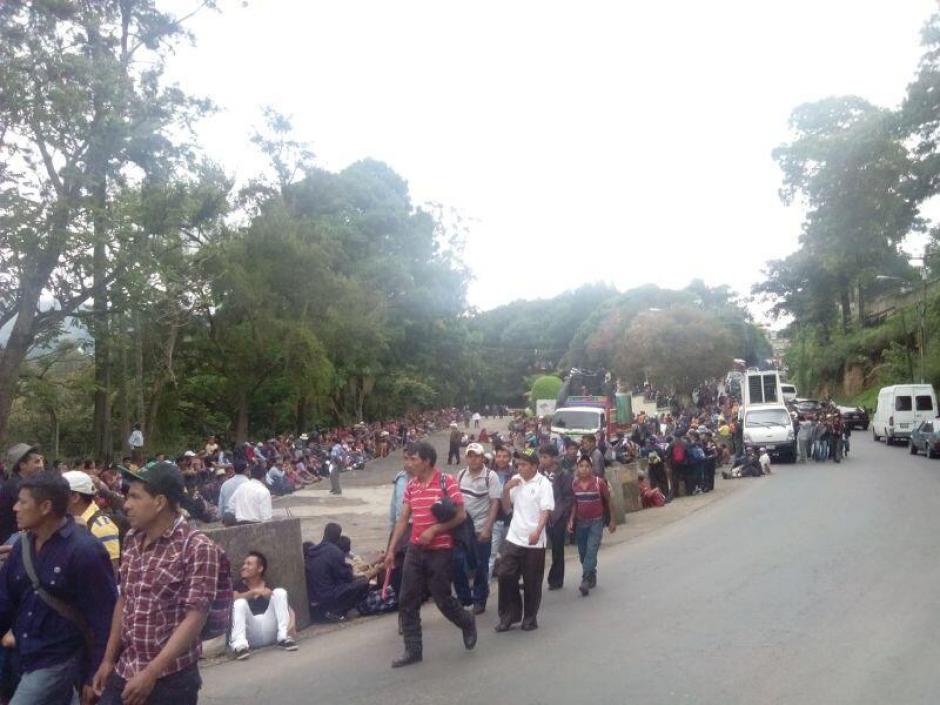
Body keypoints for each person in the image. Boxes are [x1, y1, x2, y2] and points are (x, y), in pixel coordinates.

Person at [93, 461, 225, 705]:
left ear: (160, 502)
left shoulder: (196, 547)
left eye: (134, 496)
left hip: (170, 680)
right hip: (125, 669)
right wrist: (108, 660)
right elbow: (125, 599)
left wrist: (152, 672)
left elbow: (195, 618)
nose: (126, 505)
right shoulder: (132, 538)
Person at [0, 472, 117, 705]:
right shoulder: (21, 546)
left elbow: (105, 617)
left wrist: (95, 673)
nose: (15, 508)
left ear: (45, 507)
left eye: (23, 502)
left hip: (58, 659)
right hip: (22, 655)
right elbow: (5, 602)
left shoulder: (85, 551)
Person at [383, 441, 476, 668]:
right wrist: (391, 549)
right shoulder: (411, 486)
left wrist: (434, 529)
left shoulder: (447, 482)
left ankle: (466, 621)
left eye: (413, 459)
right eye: (408, 459)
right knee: (407, 599)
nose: (409, 463)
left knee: (442, 599)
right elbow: (403, 519)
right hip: (415, 549)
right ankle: (413, 650)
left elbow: (461, 515)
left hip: (440, 551)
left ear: (426, 461)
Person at [494, 448, 554, 633]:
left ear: (534, 466)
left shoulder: (543, 483)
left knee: (532, 581)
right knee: (505, 574)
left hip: (533, 540)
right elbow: (506, 508)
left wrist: (538, 531)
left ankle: (530, 618)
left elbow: (546, 510)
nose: (520, 468)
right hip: (514, 536)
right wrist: (506, 489)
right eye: (518, 464)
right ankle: (509, 615)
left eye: (524, 465)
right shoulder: (516, 481)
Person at [453, 443, 500, 614]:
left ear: (482, 458)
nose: (473, 459)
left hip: (481, 528)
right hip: (463, 530)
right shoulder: (460, 475)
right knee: (458, 563)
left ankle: (480, 599)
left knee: (481, 566)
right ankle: (464, 597)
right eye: (470, 456)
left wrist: (488, 528)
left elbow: (495, 503)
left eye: (477, 456)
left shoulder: (490, 476)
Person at [230, 551, 297, 659]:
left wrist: (292, 622)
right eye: (244, 564)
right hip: (250, 633)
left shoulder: (268, 586)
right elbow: (233, 600)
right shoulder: (238, 586)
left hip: (270, 629)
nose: (244, 567)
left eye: (249, 564)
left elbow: (286, 607)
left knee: (279, 592)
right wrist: (253, 592)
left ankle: (284, 637)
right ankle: (240, 646)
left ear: (260, 568)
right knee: (239, 603)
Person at [568, 455, 616, 595]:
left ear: (591, 468)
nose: (584, 469)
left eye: (587, 466)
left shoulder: (598, 482)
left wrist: (612, 520)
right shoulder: (574, 484)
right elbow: (574, 504)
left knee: (591, 549)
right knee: (583, 553)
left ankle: (585, 579)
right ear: (577, 468)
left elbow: (609, 501)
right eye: (581, 466)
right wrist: (571, 519)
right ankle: (591, 574)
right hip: (581, 523)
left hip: (596, 522)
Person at [304, 523, 369, 622]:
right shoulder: (335, 552)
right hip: (329, 596)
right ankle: (339, 610)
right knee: (363, 582)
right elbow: (347, 578)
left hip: (315, 596)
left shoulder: (313, 549)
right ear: (338, 537)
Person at [63, 470, 121, 570]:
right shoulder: (66, 521)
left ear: (75, 497)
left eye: (59, 494)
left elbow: (110, 573)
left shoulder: (101, 527)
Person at [539, 443, 574, 591]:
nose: (542, 460)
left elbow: (568, 498)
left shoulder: (564, 474)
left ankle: (556, 579)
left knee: (557, 550)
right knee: (537, 550)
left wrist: (559, 514)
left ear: (554, 458)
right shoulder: (538, 474)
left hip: (557, 518)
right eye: (541, 457)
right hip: (540, 516)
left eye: (545, 457)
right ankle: (534, 578)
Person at [0, 444, 44, 544]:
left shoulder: (24, 484)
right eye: (36, 462)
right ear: (22, 465)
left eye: (41, 460)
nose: (41, 465)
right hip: (11, 538)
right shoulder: (17, 487)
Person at [488, 445, 514, 580]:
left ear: (509, 458)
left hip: (510, 519)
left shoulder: (515, 474)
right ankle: (484, 588)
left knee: (509, 554)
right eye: (499, 456)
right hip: (493, 518)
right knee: (491, 554)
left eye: (505, 456)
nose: (502, 459)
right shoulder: (488, 473)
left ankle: (508, 583)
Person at [218, 460, 249, 526]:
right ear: (246, 470)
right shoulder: (249, 483)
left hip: (229, 517)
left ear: (234, 470)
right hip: (244, 516)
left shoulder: (225, 484)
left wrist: (222, 518)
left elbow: (221, 506)